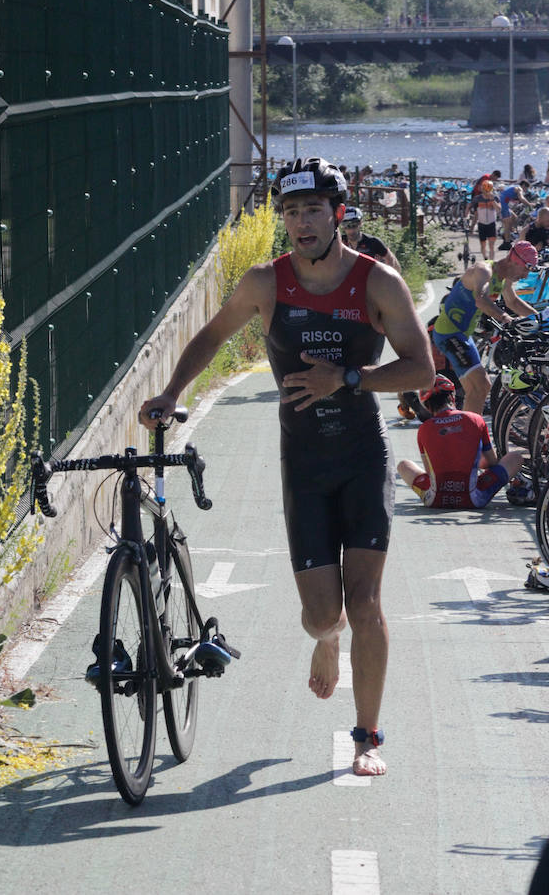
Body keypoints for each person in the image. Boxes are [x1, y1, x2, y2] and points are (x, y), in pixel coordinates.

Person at [138, 156, 434, 777]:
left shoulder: (378, 282)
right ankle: (326, 641)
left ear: (338, 215)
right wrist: (172, 391)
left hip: (362, 456)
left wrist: (349, 377)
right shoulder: (264, 283)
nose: (301, 223)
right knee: (325, 615)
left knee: (367, 603)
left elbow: (422, 370)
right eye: (291, 212)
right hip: (303, 461)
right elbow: (212, 336)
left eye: (313, 211)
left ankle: (366, 737)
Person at [432, 240, 540, 415]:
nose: (526, 275)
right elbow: (481, 299)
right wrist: (505, 318)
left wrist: (541, 319)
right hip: (449, 333)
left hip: (462, 335)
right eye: (525, 268)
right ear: (513, 260)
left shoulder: (503, 280)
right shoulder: (484, 271)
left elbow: (513, 302)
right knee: (481, 386)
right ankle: (470, 434)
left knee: (477, 389)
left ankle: (468, 434)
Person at [397, 374, 523, 509]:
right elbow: (490, 462)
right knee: (516, 457)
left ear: (427, 407)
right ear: (452, 397)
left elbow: (430, 472)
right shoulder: (476, 419)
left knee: (403, 465)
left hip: (436, 500)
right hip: (474, 499)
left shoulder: (424, 428)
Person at [340, 206, 401, 271]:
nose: (351, 230)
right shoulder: (339, 242)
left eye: (354, 224)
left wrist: (388, 278)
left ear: (360, 223)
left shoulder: (373, 242)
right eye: (346, 225)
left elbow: (391, 259)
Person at [469, 180, 501, 260]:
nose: (487, 191)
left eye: (489, 189)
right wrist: (472, 227)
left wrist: (492, 200)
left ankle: (491, 262)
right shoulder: (477, 199)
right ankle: (486, 258)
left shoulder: (495, 198)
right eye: (485, 189)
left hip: (491, 224)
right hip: (481, 224)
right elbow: (475, 214)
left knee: (491, 246)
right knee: (483, 245)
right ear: (482, 189)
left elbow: (499, 210)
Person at [498, 181, 535, 249]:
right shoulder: (519, 188)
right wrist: (530, 205)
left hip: (502, 203)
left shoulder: (513, 186)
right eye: (526, 189)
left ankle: (508, 235)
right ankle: (506, 242)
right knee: (507, 224)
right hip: (503, 205)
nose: (525, 191)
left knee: (514, 217)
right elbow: (521, 198)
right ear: (523, 185)